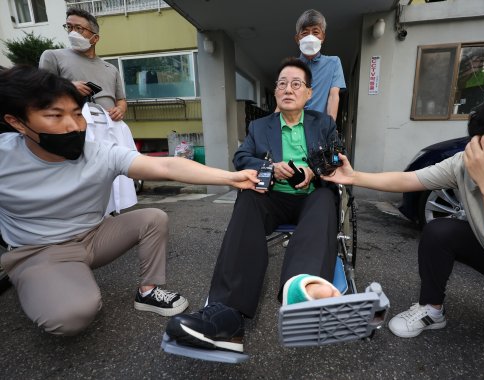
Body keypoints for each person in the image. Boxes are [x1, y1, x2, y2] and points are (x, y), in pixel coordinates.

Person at [322, 86, 484, 369]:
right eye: (478, 141)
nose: (478, 153)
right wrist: (353, 176)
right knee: (440, 231)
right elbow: (411, 180)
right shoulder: (467, 161)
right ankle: (431, 310)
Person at [0, 66, 259, 336]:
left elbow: (167, 167)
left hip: (94, 235)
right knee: (72, 316)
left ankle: (149, 291)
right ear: (17, 122)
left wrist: (231, 178)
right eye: (55, 115)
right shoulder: (4, 156)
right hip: (39, 250)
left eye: (77, 114)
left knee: (152, 218)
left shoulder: (99, 153)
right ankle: (37, 280)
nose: (73, 126)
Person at [165, 58, 341, 353]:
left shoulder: (323, 123)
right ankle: (226, 315)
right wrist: (270, 167)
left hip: (312, 196)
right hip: (272, 197)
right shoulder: (260, 126)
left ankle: (301, 290)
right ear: (275, 92)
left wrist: (313, 169)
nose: (288, 89)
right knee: (247, 197)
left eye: (296, 84)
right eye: (282, 83)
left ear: (309, 93)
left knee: (325, 198)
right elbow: (242, 159)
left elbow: (337, 157)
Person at [40, 7, 136, 214]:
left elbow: (121, 100)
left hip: (110, 129)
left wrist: (120, 109)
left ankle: (111, 218)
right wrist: (69, 87)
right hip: (76, 129)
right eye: (69, 27)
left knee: (113, 176)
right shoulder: (53, 56)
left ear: (95, 38)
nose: (72, 32)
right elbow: (39, 91)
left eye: (79, 28)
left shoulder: (110, 68)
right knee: (84, 181)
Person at [293, 9, 346, 121]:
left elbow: (333, 96)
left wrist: (330, 127)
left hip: (320, 128)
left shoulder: (333, 63)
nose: (310, 37)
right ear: (297, 39)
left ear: (323, 37)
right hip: (293, 127)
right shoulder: (292, 66)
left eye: (316, 32)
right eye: (305, 33)